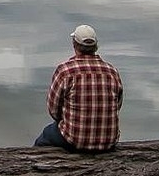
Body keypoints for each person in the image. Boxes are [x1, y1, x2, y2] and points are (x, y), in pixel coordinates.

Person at [34, 23, 122, 152]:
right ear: (96, 46)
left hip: (75, 140)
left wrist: (67, 118)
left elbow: (53, 110)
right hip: (108, 142)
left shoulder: (65, 71)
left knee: (45, 136)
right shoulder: (112, 71)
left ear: (74, 45)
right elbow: (117, 105)